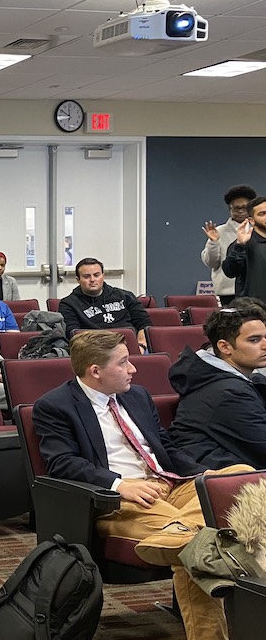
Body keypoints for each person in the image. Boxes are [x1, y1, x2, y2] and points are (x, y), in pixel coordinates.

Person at [32, 330, 249, 640]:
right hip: (115, 503)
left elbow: (165, 450)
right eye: (123, 362)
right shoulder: (56, 406)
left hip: (168, 488)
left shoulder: (136, 396)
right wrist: (120, 484)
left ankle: (179, 536)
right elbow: (62, 464)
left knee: (243, 478)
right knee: (197, 550)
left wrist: (209, 480)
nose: (134, 368)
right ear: (95, 371)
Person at [169, 301, 266, 469]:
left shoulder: (237, 379)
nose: (265, 345)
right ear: (225, 347)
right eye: (254, 340)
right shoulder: (229, 393)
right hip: (221, 480)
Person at [58, 258, 150, 352]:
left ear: (103, 276)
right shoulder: (68, 304)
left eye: (96, 275)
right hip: (95, 351)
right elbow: (73, 335)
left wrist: (141, 345)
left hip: (131, 347)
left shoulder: (125, 296)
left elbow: (144, 324)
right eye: (86, 276)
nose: (92, 280)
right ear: (78, 279)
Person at [202, 185, 256, 305]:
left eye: (245, 208)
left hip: (256, 290)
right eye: (236, 208)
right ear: (230, 210)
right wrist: (213, 242)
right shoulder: (219, 231)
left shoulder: (259, 230)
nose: (241, 211)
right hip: (229, 292)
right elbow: (212, 263)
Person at [222, 196, 266, 302]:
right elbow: (230, 272)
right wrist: (240, 245)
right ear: (251, 220)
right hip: (253, 310)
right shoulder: (242, 244)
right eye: (262, 214)